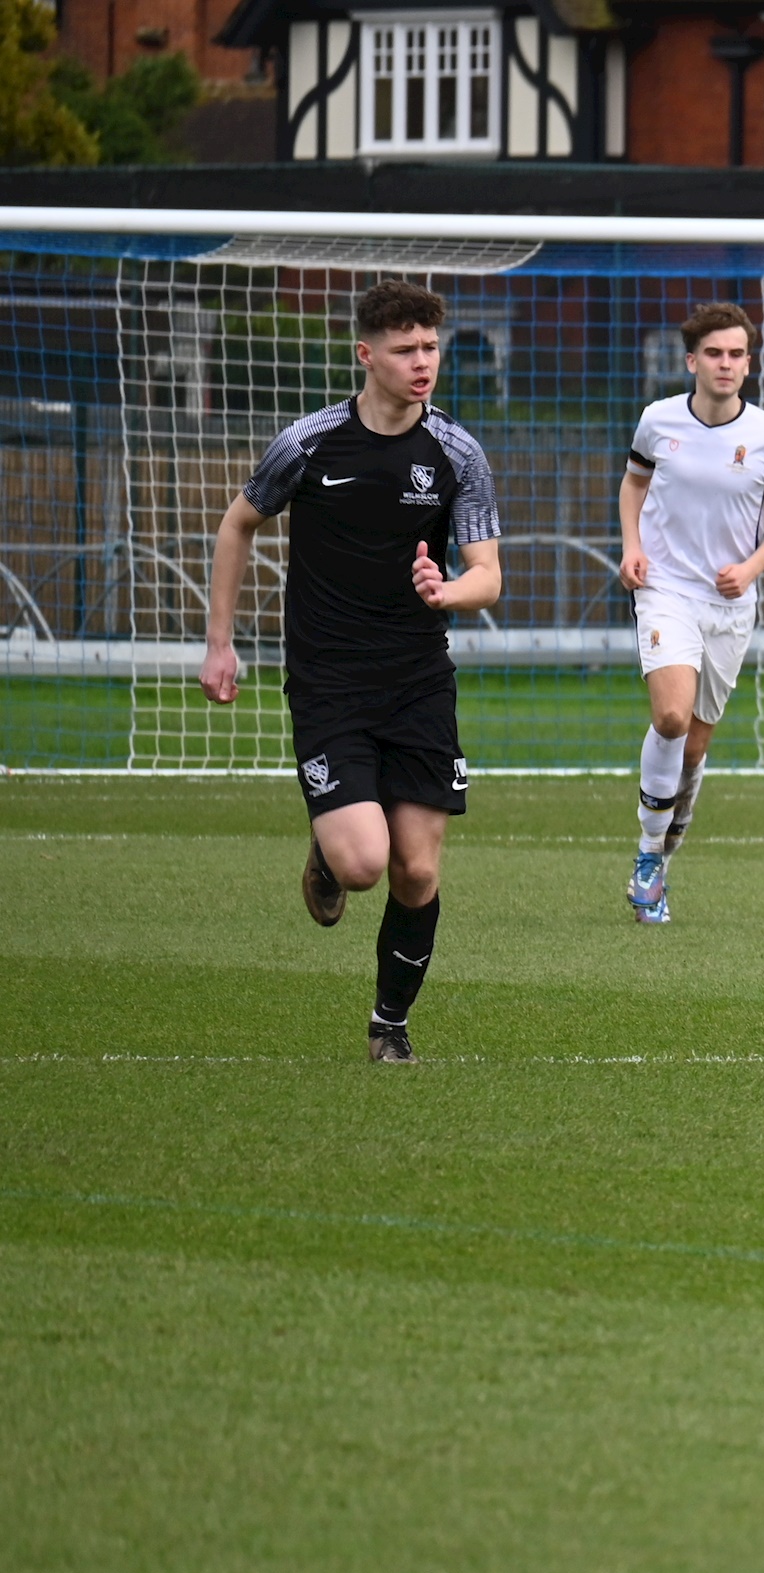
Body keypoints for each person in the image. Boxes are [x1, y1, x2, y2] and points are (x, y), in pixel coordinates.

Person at [197, 279, 502, 1063]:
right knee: (363, 864)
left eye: (431, 346)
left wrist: (449, 589)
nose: (422, 361)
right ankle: (328, 851)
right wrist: (220, 642)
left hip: (418, 682)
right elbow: (237, 526)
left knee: (417, 866)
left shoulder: (458, 452)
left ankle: (389, 1024)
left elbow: (488, 576)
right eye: (405, 349)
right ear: (366, 354)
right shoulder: (308, 442)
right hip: (331, 681)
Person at [619, 303, 764, 922]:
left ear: (748, 364)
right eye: (714, 354)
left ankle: (668, 849)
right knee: (672, 717)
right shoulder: (659, 420)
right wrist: (632, 548)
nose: (725, 364)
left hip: (730, 604)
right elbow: (635, 483)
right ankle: (648, 857)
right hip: (665, 589)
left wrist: (750, 568)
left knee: (695, 746)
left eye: (736, 354)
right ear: (691, 361)